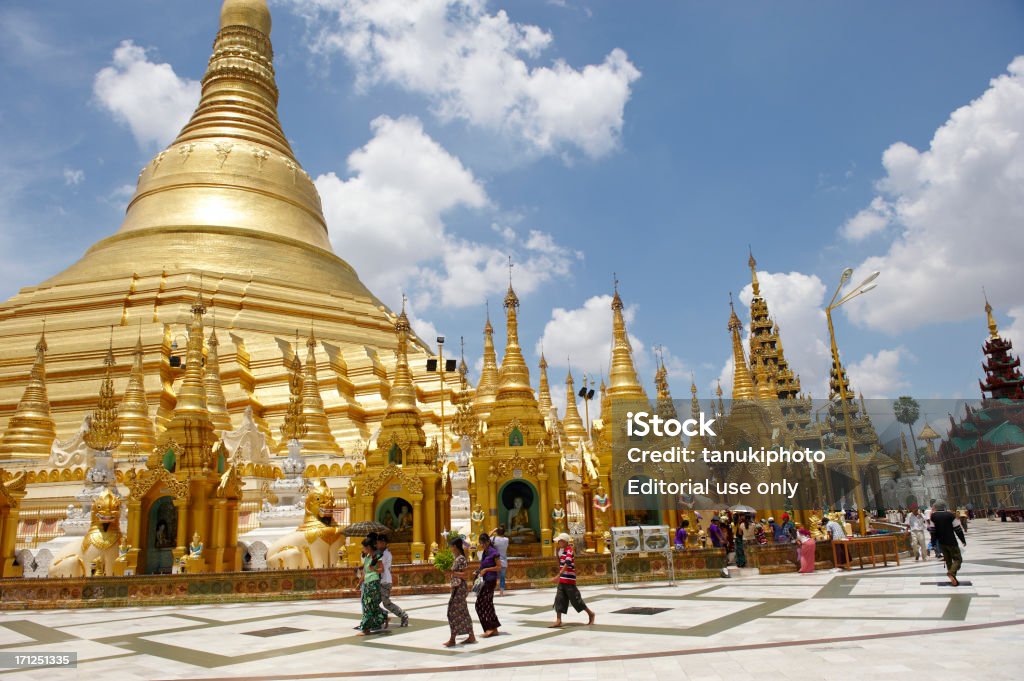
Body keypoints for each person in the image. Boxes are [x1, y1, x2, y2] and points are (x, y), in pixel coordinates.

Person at [550, 533, 594, 628]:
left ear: (565, 541)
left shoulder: (569, 550)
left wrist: (558, 575)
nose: (558, 542)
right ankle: (558, 620)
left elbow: (567, 563)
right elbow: (559, 564)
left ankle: (591, 614)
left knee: (576, 600)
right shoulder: (560, 550)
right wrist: (557, 554)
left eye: (560, 541)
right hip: (562, 579)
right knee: (559, 599)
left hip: (569, 579)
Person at [443, 537, 476, 647]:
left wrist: (452, 573)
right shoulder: (456, 558)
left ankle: (453, 638)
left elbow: (465, 575)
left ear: (455, 547)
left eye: (451, 546)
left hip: (460, 588)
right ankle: (470, 635)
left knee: (452, 611)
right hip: (456, 587)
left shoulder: (461, 559)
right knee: (462, 611)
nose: (450, 548)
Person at [931, 502, 967, 586]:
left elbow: (933, 531)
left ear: (936, 507)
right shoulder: (950, 515)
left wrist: (933, 543)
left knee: (948, 561)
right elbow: (957, 529)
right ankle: (951, 573)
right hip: (951, 541)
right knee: (958, 559)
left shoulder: (933, 516)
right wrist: (963, 540)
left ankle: (952, 578)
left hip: (942, 542)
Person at [376, 535, 408, 627]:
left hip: (385, 581)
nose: (379, 544)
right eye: (378, 542)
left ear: (385, 544)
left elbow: (379, 567)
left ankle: (403, 616)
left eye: (381, 543)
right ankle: (382, 617)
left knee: (386, 603)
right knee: (374, 603)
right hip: (381, 580)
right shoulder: (380, 553)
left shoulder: (385, 554)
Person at [357, 537, 387, 635]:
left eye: (364, 547)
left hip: (374, 582)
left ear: (369, 547)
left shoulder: (377, 556)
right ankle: (383, 616)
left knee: (367, 605)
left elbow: (382, 570)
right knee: (370, 605)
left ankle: (366, 629)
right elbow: (364, 573)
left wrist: (373, 569)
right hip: (366, 583)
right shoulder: (367, 557)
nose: (363, 549)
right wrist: (359, 583)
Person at [474, 533, 502, 637]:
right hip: (484, 581)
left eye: (483, 543)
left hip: (490, 581)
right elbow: (483, 566)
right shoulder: (484, 553)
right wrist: (479, 571)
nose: (482, 545)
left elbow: (499, 567)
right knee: (484, 604)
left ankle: (490, 628)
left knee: (484, 604)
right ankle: (493, 628)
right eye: (480, 543)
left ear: (488, 542)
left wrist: (486, 570)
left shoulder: (493, 552)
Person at [491, 525, 510, 596]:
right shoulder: (506, 539)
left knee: (493, 577)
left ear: (497, 532)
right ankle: (501, 592)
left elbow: (485, 538)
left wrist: (493, 531)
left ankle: (492, 590)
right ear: (504, 532)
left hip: (495, 561)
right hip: (504, 561)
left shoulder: (493, 538)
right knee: (502, 577)